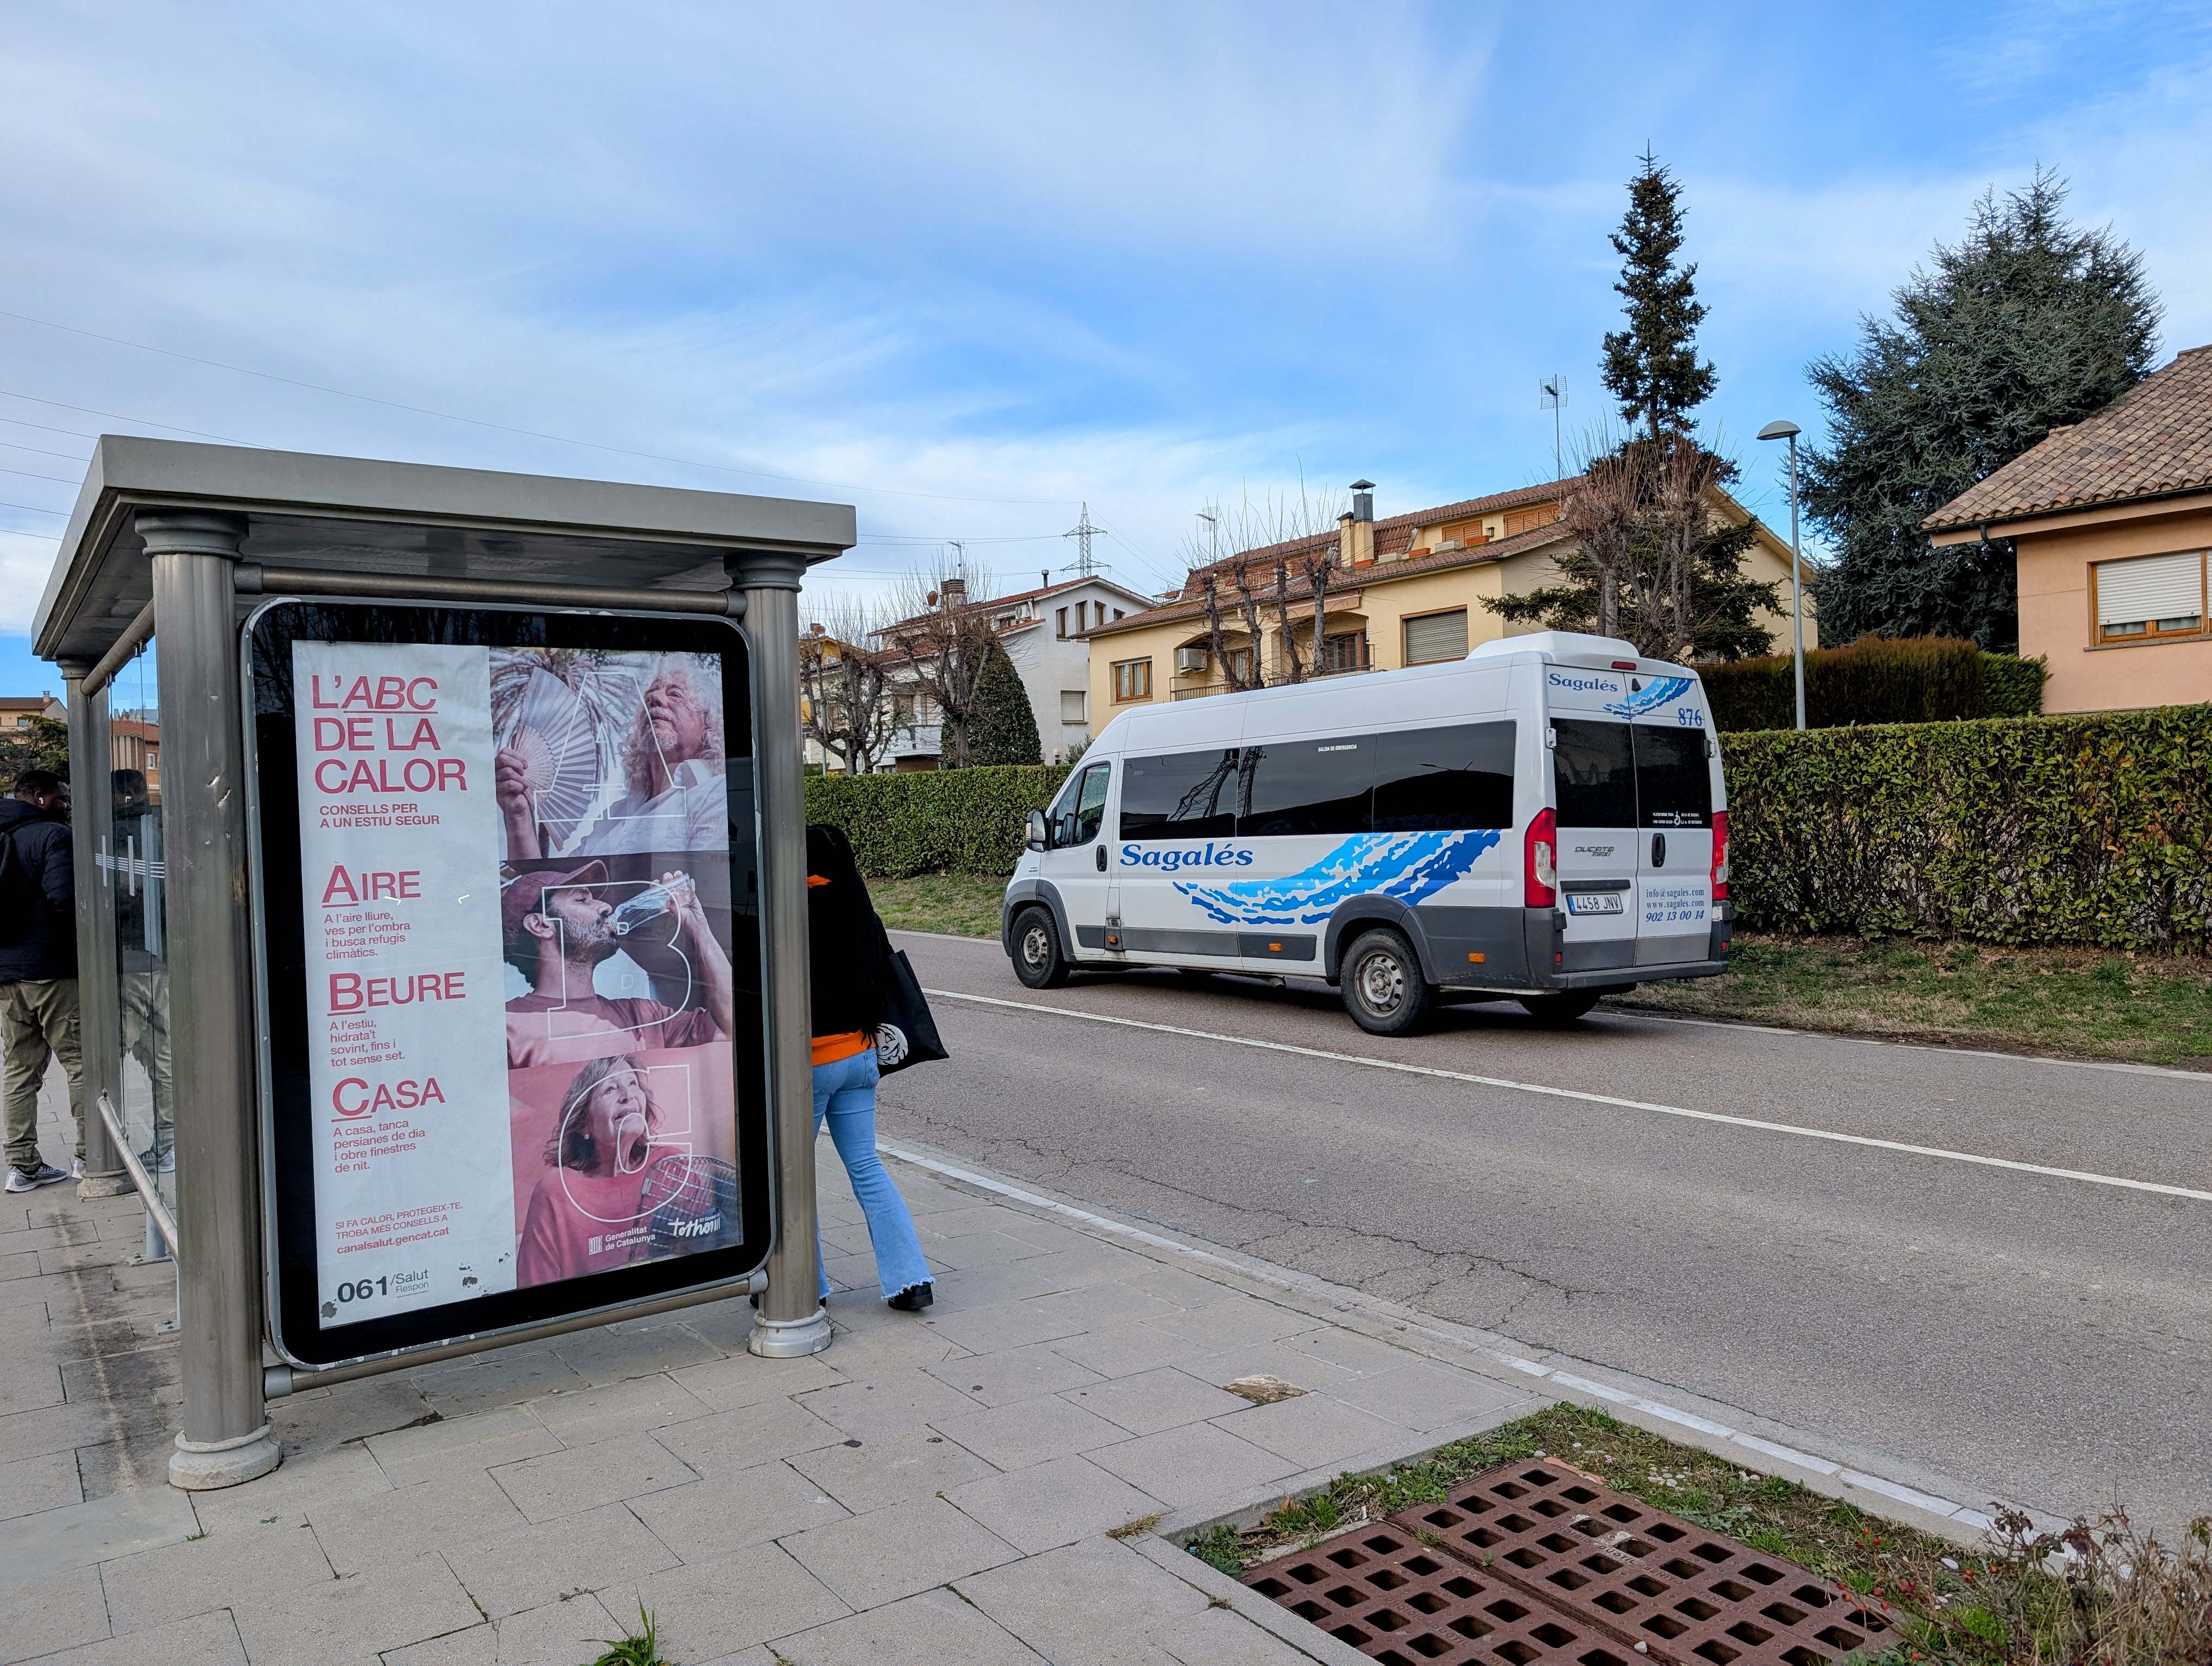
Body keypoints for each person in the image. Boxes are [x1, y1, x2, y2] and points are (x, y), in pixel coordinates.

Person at [805, 823, 930, 1311]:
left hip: (812, 1064)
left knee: (792, 1177)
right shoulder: (860, 907)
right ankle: (910, 1279)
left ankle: (804, 1285)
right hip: (861, 1057)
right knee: (867, 1166)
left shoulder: (793, 911)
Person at [502, 861, 735, 1069]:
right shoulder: (507, 1027)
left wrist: (699, 928)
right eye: (582, 900)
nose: (606, 907)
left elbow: (730, 1028)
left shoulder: (645, 1016)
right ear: (541, 925)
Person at [496, 655, 728, 860]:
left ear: (709, 727)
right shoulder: (614, 816)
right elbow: (549, 893)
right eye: (649, 697)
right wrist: (518, 815)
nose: (655, 698)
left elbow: (707, 897)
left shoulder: (716, 795)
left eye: (675, 694)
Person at [1, 770, 83, 1193]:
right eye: (61, 796)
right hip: (52, 972)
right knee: (81, 1064)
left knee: (18, 1070)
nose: (66, 803)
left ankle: (22, 1166)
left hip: (6, 976)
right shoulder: (53, 836)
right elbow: (64, 898)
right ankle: (92, 1156)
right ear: (37, 797)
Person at [516, 1054, 659, 1286]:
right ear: (584, 1123)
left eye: (633, 1083)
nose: (628, 1095)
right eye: (611, 1089)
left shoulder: (670, 1163)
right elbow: (536, 1290)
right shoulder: (557, 1190)